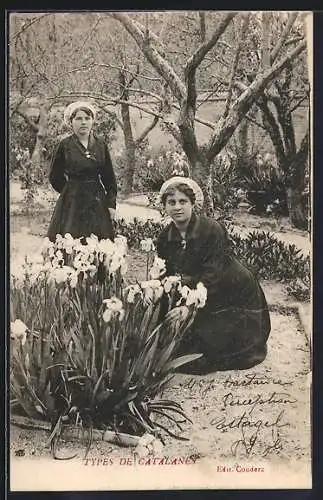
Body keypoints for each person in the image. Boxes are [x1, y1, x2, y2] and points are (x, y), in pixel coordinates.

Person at [156, 176, 271, 373]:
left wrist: (188, 306)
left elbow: (213, 272)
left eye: (183, 201)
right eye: (171, 202)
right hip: (197, 290)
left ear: (193, 204)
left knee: (216, 352)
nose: (177, 207)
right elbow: (168, 274)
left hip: (229, 289)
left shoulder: (211, 229)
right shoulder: (165, 238)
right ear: (165, 206)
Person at [47, 101, 117, 242]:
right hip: (72, 203)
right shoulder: (65, 145)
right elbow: (55, 176)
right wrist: (69, 191)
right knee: (70, 242)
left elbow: (109, 178)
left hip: (97, 200)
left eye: (87, 118)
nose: (83, 122)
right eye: (78, 119)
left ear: (92, 121)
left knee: (99, 243)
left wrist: (111, 204)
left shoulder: (100, 145)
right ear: (71, 122)